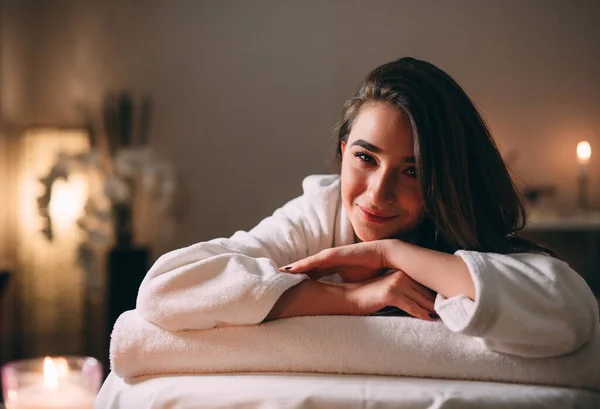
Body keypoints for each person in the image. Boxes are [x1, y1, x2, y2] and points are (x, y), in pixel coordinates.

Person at [136, 57, 598, 358]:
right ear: (342, 151)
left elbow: (569, 312)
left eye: (412, 171)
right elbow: (166, 288)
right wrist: (354, 298)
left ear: (445, 179)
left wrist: (391, 255)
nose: (378, 194)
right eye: (365, 158)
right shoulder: (321, 213)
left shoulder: (457, 228)